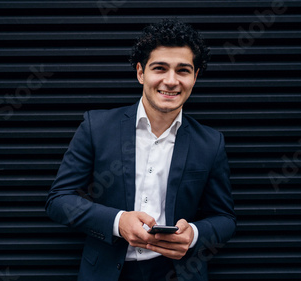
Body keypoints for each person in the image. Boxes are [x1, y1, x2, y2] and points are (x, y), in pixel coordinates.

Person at [45, 18, 236, 281]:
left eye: (183, 70)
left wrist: (194, 234)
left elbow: (225, 218)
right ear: (140, 72)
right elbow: (59, 200)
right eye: (160, 68)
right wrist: (118, 222)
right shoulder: (96, 127)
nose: (171, 81)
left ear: (195, 77)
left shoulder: (210, 142)